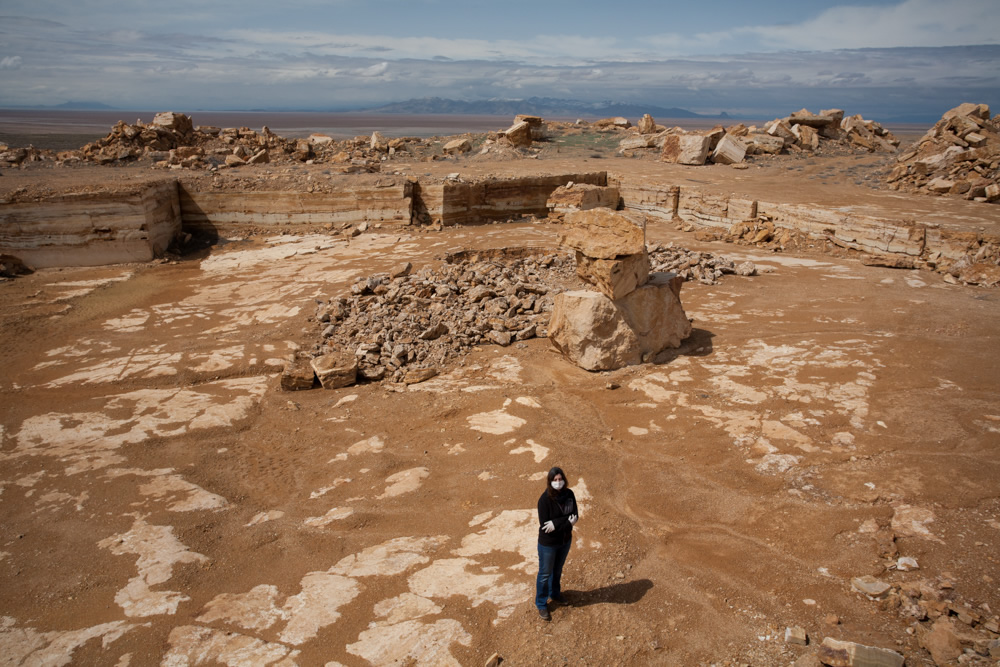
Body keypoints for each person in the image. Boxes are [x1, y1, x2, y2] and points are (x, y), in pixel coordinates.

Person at [535, 466, 578, 621]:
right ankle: (541, 603)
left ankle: (555, 593)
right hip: (549, 544)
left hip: (564, 540)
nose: (558, 482)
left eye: (560, 479)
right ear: (550, 482)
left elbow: (575, 515)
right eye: (555, 480)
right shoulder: (544, 500)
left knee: (558, 569)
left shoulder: (569, 494)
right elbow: (546, 527)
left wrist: (558, 523)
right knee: (545, 573)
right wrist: (566, 522)